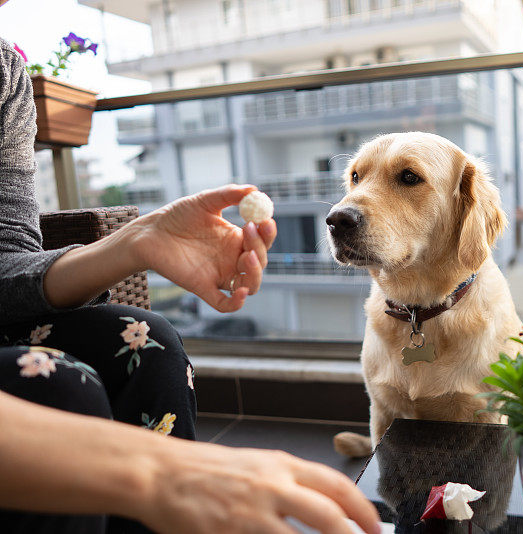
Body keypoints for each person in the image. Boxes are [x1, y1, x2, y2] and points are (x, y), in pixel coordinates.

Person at [0, 30, 380, 534]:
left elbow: (8, 261)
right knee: (59, 386)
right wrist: (156, 472)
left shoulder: (5, 70)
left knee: (150, 342)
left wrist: (136, 242)